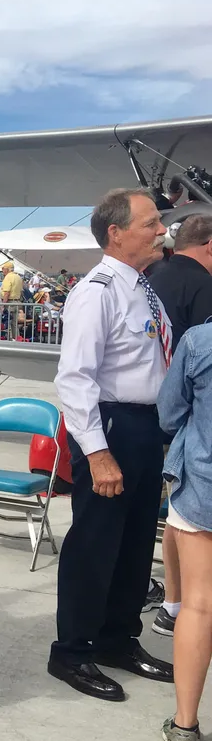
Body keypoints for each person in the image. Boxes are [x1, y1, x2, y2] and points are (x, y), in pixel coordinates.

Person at [50, 188, 174, 702]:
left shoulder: (142, 288)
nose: (162, 230)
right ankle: (73, 652)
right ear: (117, 233)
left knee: (134, 543)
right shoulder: (97, 290)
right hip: (111, 427)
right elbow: (75, 379)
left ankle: (118, 639)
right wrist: (98, 454)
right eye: (151, 223)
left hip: (144, 429)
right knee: (95, 545)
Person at [146, 213, 212, 638]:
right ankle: (182, 605)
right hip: (192, 421)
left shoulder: (151, 277)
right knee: (186, 515)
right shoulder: (204, 286)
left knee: (177, 513)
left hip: (150, 411)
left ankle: (172, 603)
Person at [157, 322, 212, 741]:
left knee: (199, 605)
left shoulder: (199, 341)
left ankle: (184, 728)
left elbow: (170, 414)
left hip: (204, 487)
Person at [0, 261, 24, 340]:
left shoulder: (8, 277)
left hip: (9, 302)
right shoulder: (18, 277)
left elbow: (7, 292)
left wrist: (3, 305)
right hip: (17, 301)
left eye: (3, 269)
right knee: (15, 323)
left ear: (7, 269)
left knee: (8, 322)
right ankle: (16, 338)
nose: (2, 271)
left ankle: (10, 339)